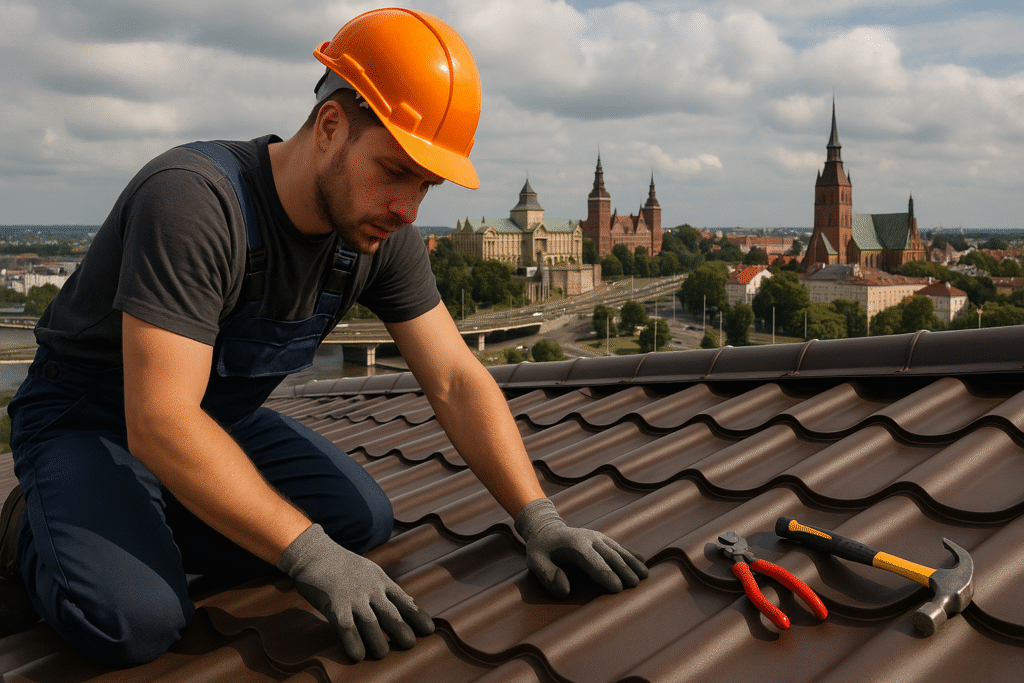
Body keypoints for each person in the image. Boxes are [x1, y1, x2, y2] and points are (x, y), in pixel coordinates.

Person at [0, 7, 648, 668]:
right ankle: (33, 522)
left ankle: (149, 510)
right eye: (396, 170)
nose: (408, 209)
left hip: (213, 422)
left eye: (425, 185)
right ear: (332, 127)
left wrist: (538, 517)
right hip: (91, 420)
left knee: (358, 520)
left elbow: (455, 378)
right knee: (135, 619)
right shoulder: (195, 202)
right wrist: (310, 559)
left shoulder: (378, 237)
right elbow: (160, 419)